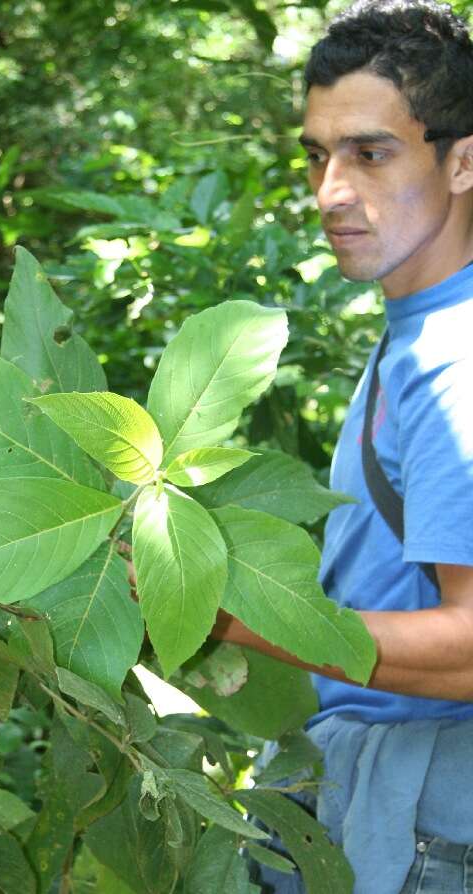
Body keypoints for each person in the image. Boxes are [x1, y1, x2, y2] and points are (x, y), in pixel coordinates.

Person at [212, 0, 473, 890]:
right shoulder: (420, 332)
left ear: (463, 159)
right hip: (365, 791)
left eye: (370, 153)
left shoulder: (456, 361)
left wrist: (230, 617)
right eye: (317, 156)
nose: (330, 191)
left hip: (419, 817)